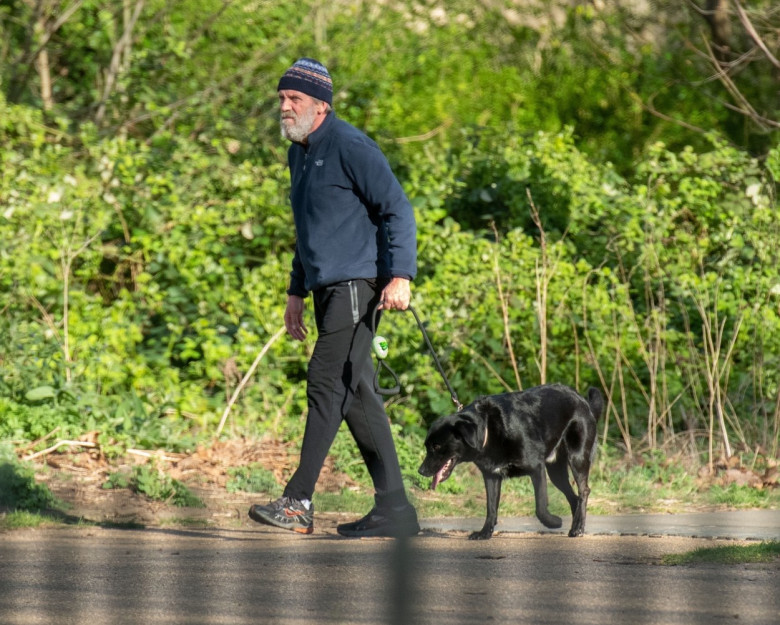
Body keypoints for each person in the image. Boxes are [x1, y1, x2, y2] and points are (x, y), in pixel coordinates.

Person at [248, 58, 420, 538]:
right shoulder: (298, 152)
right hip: (325, 289)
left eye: (294, 99)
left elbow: (397, 210)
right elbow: (309, 229)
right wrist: (295, 289)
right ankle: (395, 510)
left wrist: (400, 275)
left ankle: (298, 500)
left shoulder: (351, 146)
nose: (284, 106)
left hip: (357, 287)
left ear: (321, 106)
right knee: (358, 394)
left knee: (325, 382)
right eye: (281, 98)